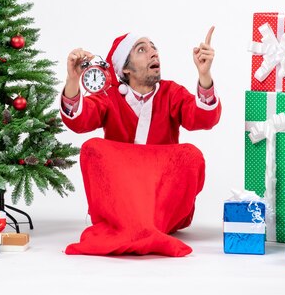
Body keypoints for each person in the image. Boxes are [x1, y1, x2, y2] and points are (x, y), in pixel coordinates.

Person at [60, 27, 221, 257]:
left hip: (161, 198)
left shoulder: (171, 92)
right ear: (125, 68)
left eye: (153, 47)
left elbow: (203, 118)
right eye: (142, 50)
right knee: (92, 148)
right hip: (121, 198)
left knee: (191, 155)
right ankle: (135, 226)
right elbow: (80, 121)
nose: (153, 53)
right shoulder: (109, 95)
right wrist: (73, 80)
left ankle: (146, 226)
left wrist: (204, 76)